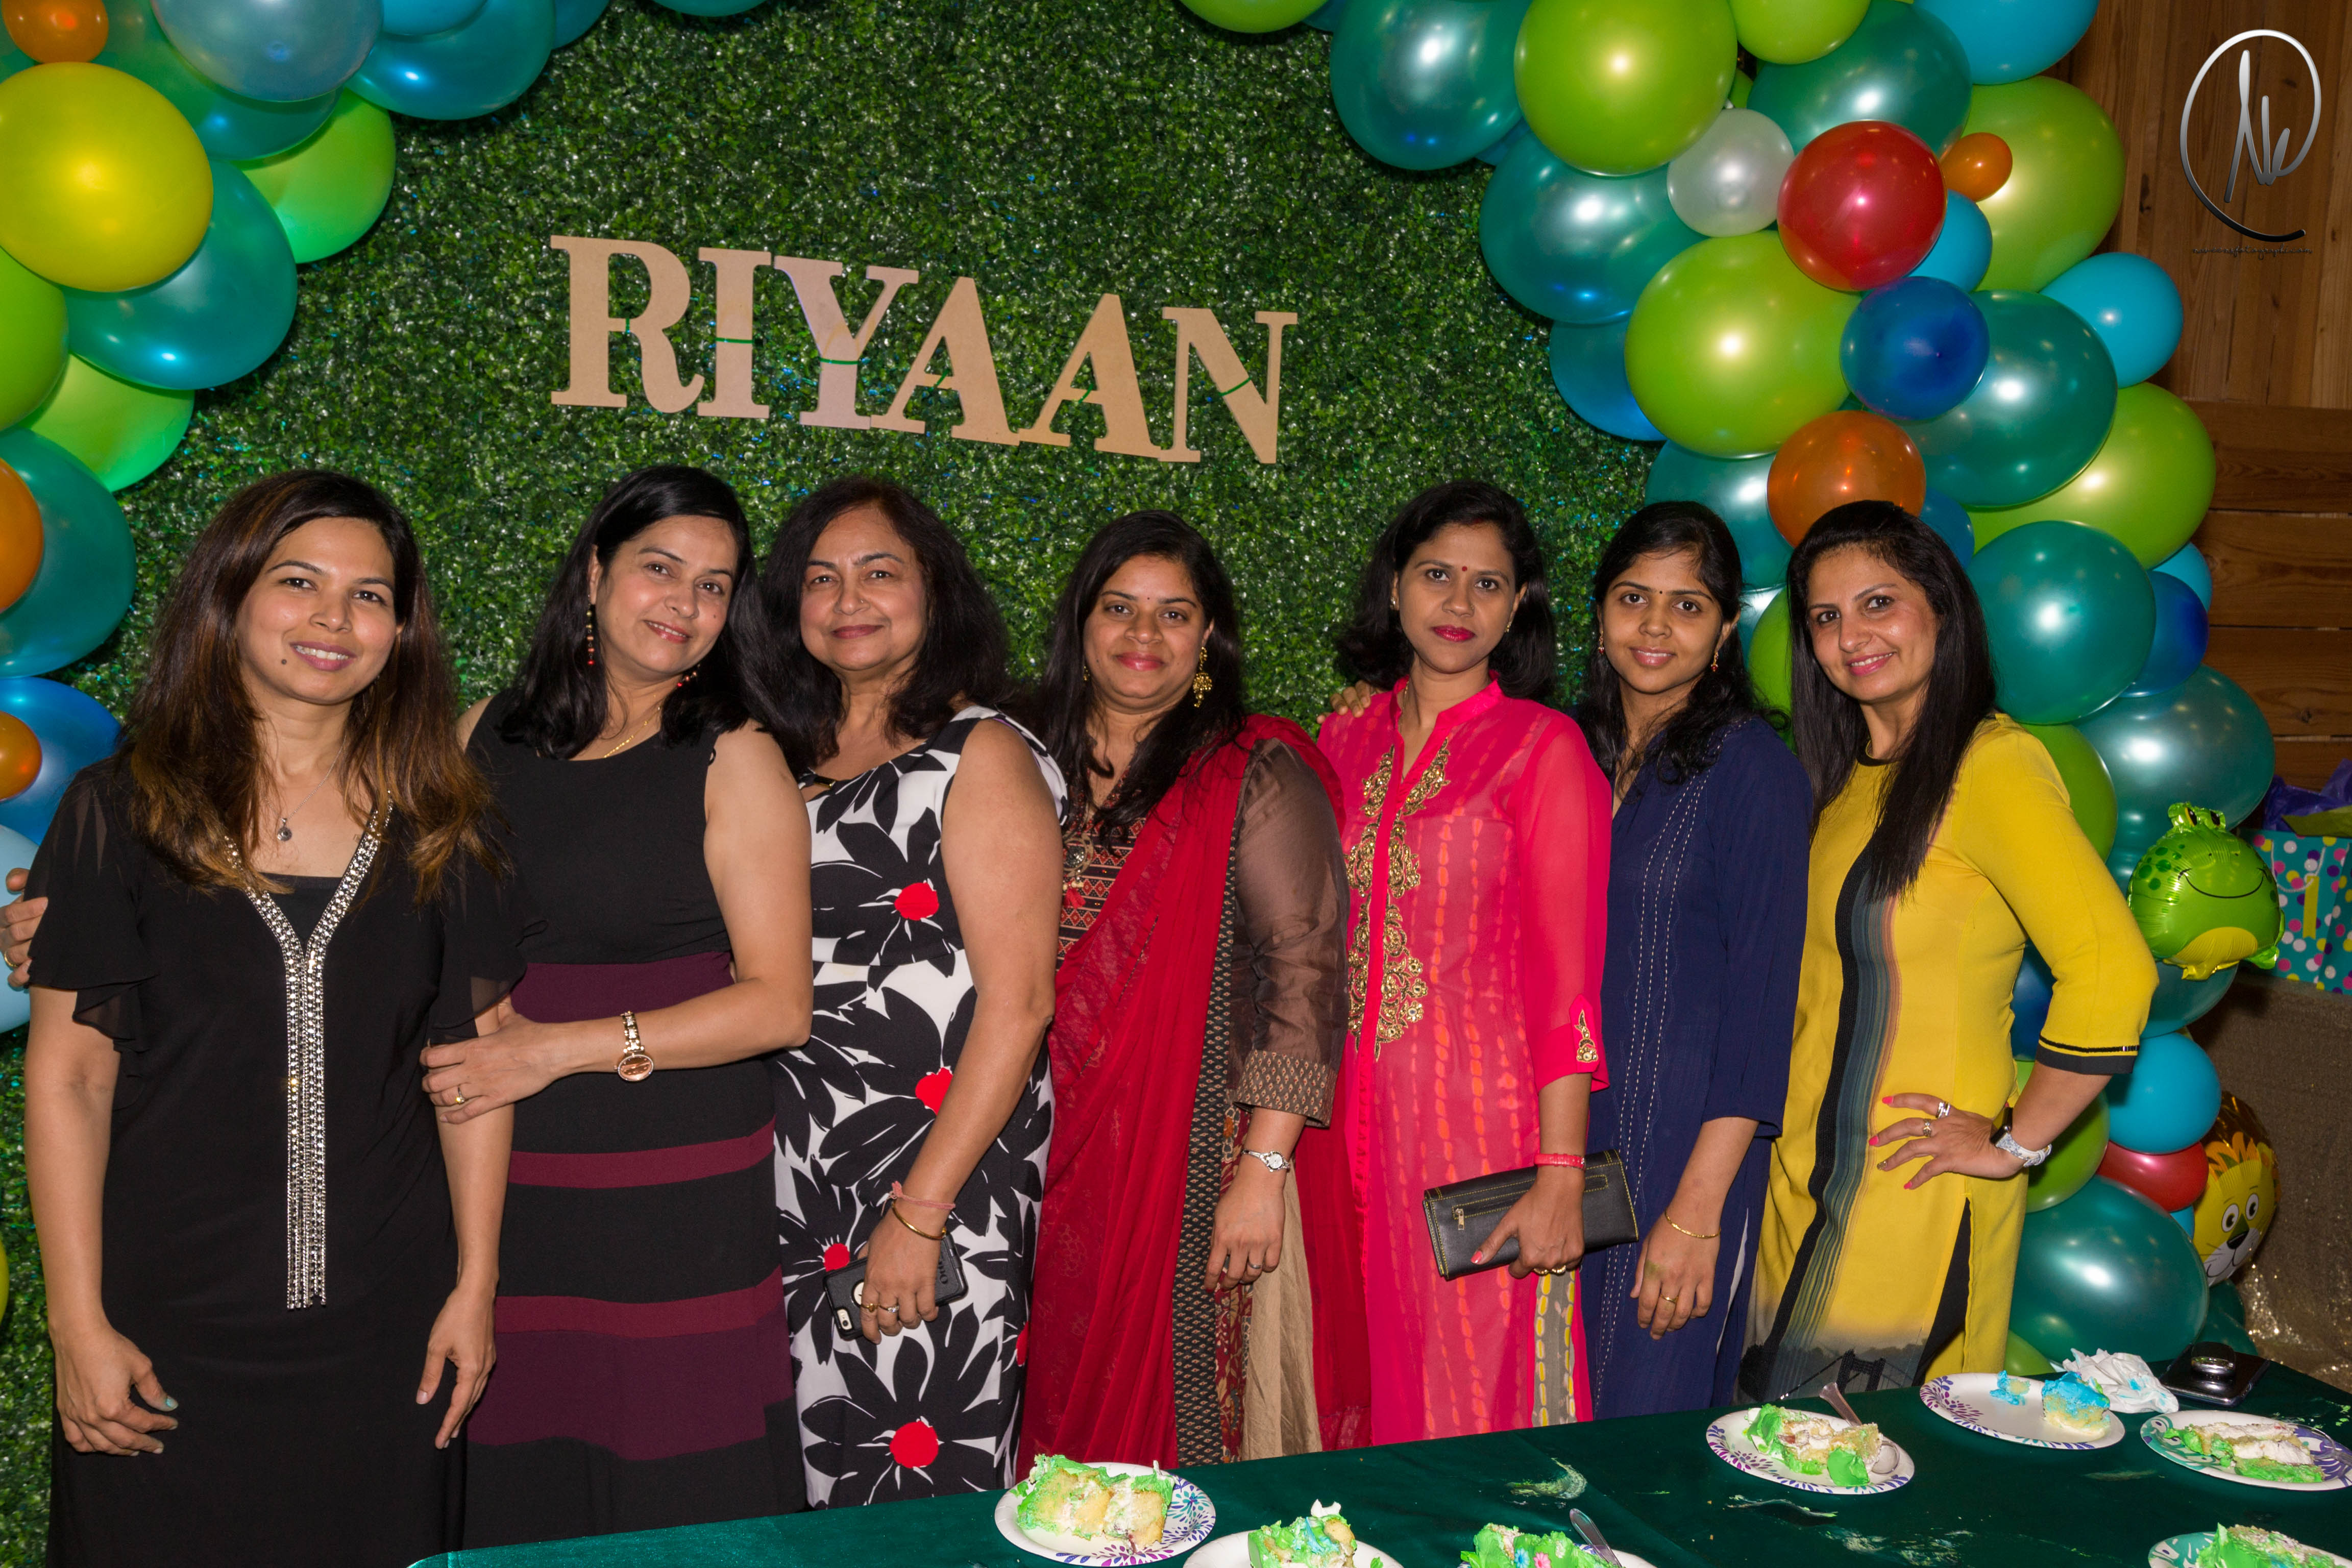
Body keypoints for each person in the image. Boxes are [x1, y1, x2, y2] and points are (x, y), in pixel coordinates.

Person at [21, 471, 524, 1567]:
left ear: (403, 629)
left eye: (370, 595)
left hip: (387, 1336)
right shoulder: (121, 812)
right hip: (161, 1331)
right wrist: (77, 1324)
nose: (334, 619)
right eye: (299, 583)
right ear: (231, 597)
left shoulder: (446, 829)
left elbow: (473, 1070)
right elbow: (69, 1078)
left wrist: (475, 1287)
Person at [420, 466, 816, 1545]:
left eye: (714, 586)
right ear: (595, 573)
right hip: (503, 1174)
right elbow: (371, 898)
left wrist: (558, 1050)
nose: (684, 604)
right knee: (521, 1476)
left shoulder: (736, 754)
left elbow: (779, 1006)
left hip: (673, 1194)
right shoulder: (482, 734)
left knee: (679, 1494)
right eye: (659, 569)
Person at [1743, 501, 2155, 1402]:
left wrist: (2015, 1144)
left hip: (1913, 1194)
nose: (1852, 637)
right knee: (1770, 1449)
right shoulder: (1836, 783)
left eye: (1879, 603)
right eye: (1825, 616)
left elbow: (2112, 968)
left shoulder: (1992, 765)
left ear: (1941, 609)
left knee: (1863, 1463)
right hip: (1803, 1182)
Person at [1016, 512, 1348, 1472]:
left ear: (1209, 638)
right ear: (1080, 622)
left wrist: (1264, 1172)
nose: (1144, 635)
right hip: (1018, 1137)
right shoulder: (1016, 754)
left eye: (1174, 614)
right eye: (1119, 608)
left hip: (1182, 1154)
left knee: (1166, 1406)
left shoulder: (1251, 771)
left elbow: (1305, 967)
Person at [761, 476, 1063, 1507]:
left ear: (935, 591)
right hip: (799, 1169)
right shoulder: (779, 756)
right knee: (810, 1466)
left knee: (914, 1462)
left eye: (879, 572)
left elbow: (1021, 1005)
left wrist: (924, 1215)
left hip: (935, 1163)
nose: (849, 599)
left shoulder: (980, 752)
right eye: (822, 579)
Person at [1305, 479, 1611, 1443]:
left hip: (1474, 1131)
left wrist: (1560, 1171)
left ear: (1517, 608)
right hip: (1333, 1126)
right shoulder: (1341, 738)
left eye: (1489, 584)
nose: (1459, 604)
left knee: (1465, 1393)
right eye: (1437, 575)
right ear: (1396, 587)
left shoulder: (1543, 748)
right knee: (1343, 1379)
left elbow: (1569, 981)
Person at [1572, 503, 1808, 1418]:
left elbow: (1762, 1009)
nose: (1656, 626)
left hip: (1680, 1152)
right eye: (1634, 598)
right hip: (1563, 1138)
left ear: (1724, 630)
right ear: (1601, 613)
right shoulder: (1567, 751)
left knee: (1639, 1418)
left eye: (1688, 605)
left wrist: (1696, 1213)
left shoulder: (1753, 770)